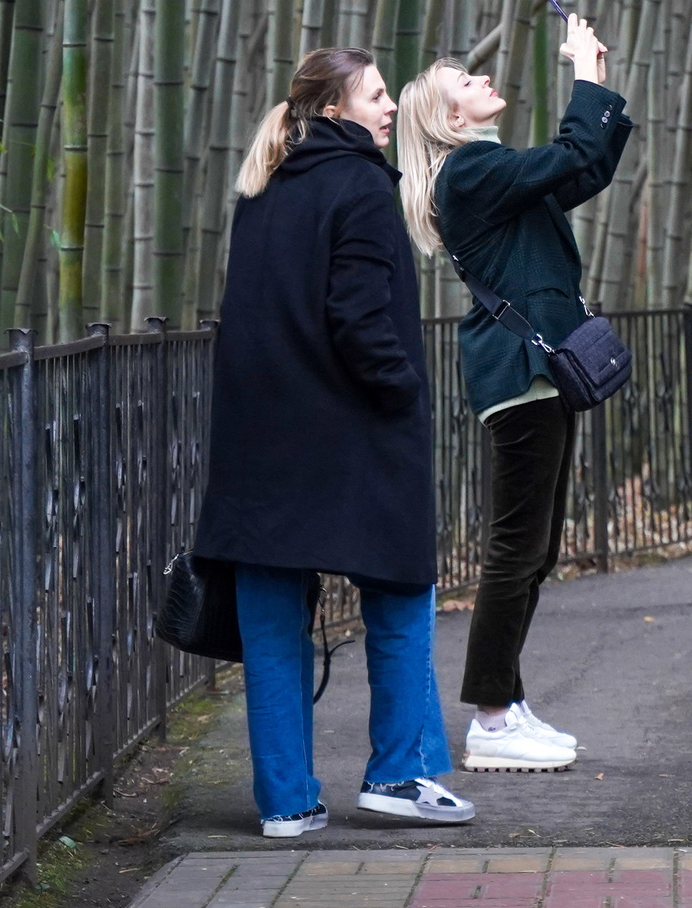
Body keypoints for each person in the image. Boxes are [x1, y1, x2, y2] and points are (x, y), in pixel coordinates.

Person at [194, 48, 473, 836]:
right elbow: (359, 315)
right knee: (402, 590)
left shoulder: (262, 186)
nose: (390, 107)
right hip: (352, 431)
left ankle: (285, 802)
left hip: (261, 439)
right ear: (334, 109)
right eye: (377, 95)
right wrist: (402, 390)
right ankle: (400, 772)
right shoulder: (361, 186)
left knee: (273, 618)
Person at [394, 16, 631, 770]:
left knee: (535, 547)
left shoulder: (494, 173)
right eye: (465, 80)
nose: (481, 76)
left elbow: (581, 170)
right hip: (520, 375)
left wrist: (597, 86)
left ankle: (508, 700)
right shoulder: (469, 173)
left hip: (539, 371)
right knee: (515, 548)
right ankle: (492, 717)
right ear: (449, 117)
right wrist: (586, 74)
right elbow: (571, 152)